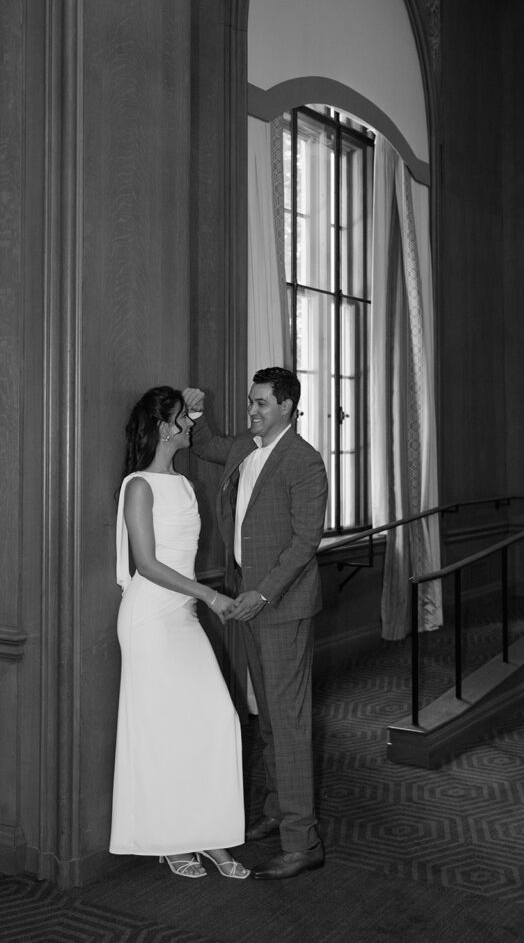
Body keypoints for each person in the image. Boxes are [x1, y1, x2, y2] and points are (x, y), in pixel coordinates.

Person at [184, 368, 328, 880]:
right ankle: (275, 811)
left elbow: (305, 542)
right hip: (245, 596)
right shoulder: (248, 444)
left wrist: (262, 594)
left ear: (287, 406)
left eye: (262, 404)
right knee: (266, 716)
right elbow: (205, 445)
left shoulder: (304, 462)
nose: (253, 410)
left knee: (287, 724)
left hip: (279, 606)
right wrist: (194, 410)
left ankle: (301, 840)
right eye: (251, 402)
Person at [109, 386, 249, 880]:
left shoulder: (185, 485)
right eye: (182, 420)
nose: (190, 425)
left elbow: (178, 559)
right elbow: (145, 564)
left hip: (183, 617)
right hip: (149, 619)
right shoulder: (139, 485)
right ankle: (169, 838)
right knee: (162, 729)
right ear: (164, 428)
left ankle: (210, 834)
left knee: (215, 720)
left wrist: (202, 599)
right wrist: (211, 597)